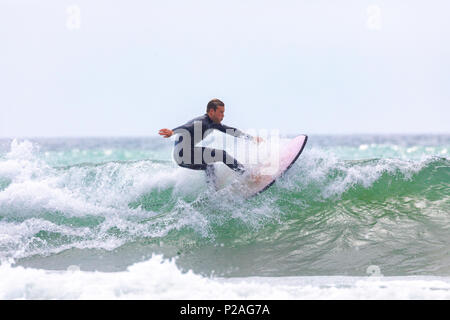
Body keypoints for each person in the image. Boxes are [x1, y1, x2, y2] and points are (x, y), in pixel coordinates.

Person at [158, 98, 263, 188]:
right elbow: (186, 127)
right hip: (184, 153)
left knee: (209, 165)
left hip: (179, 158)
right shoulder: (202, 122)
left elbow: (230, 130)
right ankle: (249, 176)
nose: (223, 115)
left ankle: (212, 192)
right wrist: (172, 131)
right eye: (221, 112)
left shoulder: (213, 123)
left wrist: (251, 138)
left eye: (223, 112)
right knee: (222, 155)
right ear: (212, 112)